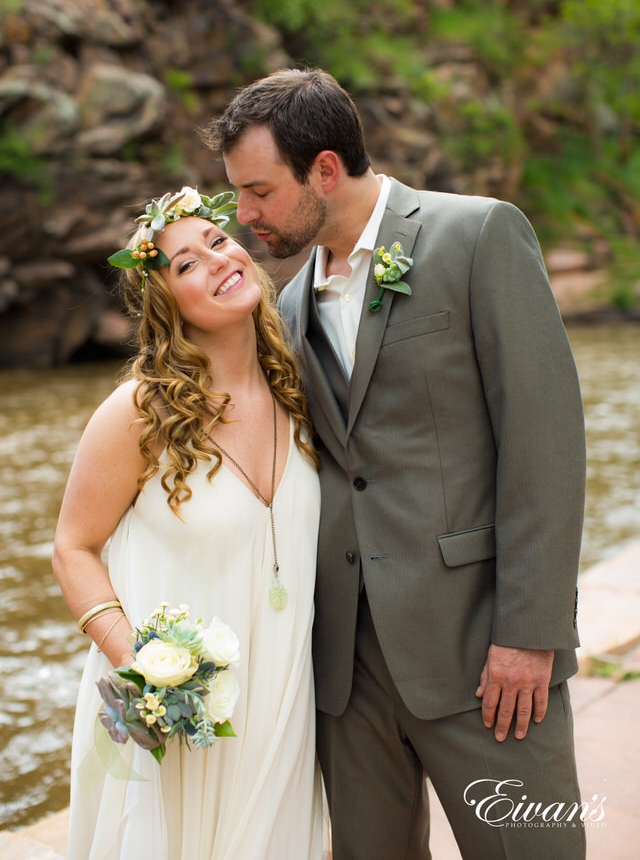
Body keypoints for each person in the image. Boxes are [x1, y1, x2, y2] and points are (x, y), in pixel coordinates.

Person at [202, 68, 588, 860]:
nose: (244, 216)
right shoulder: (286, 303)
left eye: (258, 191)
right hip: (346, 674)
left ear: (325, 170)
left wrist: (530, 633)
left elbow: (546, 441)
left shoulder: (476, 235)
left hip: (483, 653)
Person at [52, 186, 324, 860]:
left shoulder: (302, 386)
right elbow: (73, 547)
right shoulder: (137, 411)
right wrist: (144, 671)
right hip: (173, 709)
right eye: (185, 264)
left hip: (284, 692)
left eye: (218, 240)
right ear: (165, 303)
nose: (216, 258)